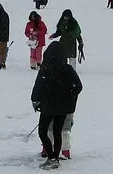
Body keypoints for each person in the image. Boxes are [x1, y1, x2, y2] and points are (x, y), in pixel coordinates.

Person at [32, 41, 84, 169]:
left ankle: (51, 156)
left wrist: (35, 100)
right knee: (58, 132)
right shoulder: (67, 69)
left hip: (48, 106)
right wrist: (70, 97)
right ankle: (55, 157)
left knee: (43, 132)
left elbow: (38, 87)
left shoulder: (46, 68)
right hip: (63, 107)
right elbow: (78, 86)